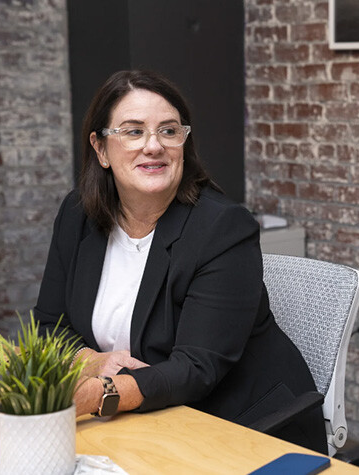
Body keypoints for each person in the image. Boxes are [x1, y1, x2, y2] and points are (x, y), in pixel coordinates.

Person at [33, 70, 327, 454]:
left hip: (242, 428)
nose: (153, 146)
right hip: (138, 425)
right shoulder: (78, 215)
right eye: (133, 131)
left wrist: (98, 393)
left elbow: (195, 368)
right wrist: (92, 362)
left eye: (169, 131)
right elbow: (48, 326)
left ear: (183, 145)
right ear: (101, 149)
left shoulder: (222, 228)